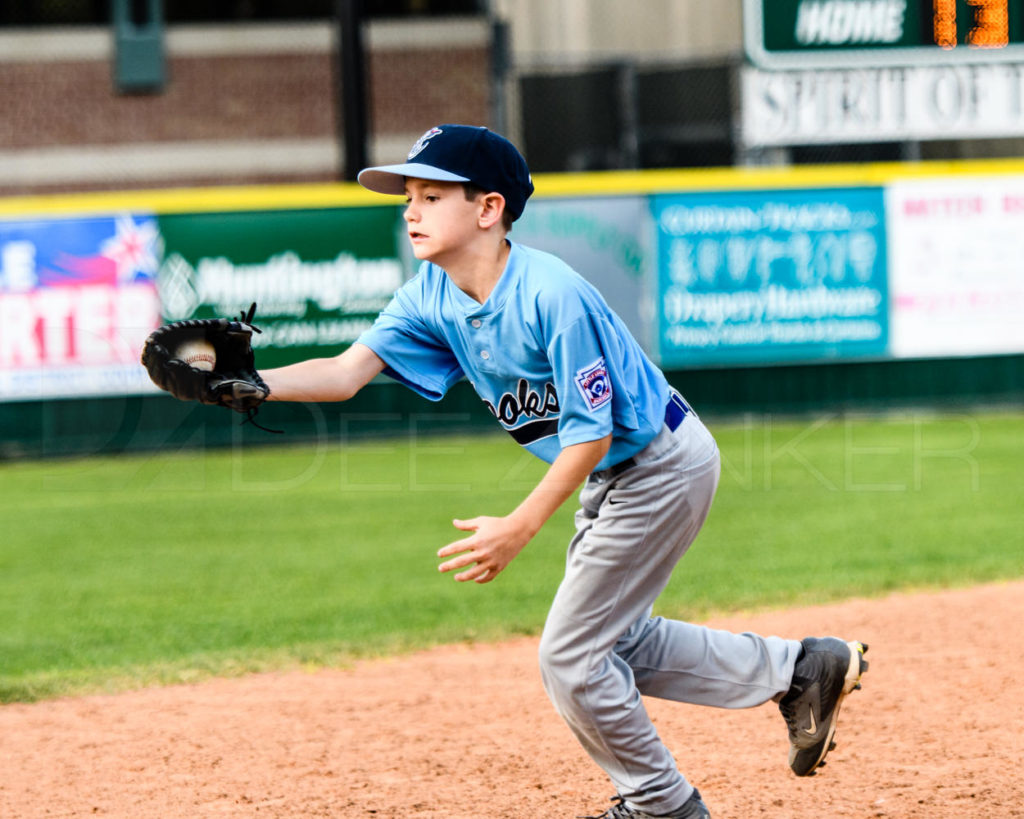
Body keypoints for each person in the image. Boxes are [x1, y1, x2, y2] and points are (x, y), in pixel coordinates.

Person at [260, 124, 868, 819]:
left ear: (488, 209)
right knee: (619, 640)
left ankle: (660, 804)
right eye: (408, 196)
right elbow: (343, 373)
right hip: (623, 472)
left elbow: (591, 431)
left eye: (431, 194)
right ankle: (801, 669)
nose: (411, 209)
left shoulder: (550, 293)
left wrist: (521, 525)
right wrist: (247, 384)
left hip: (659, 462)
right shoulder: (431, 293)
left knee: (571, 657)